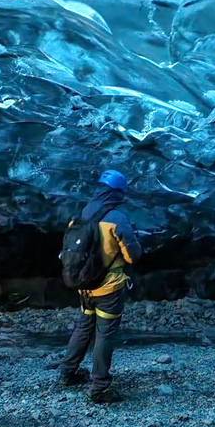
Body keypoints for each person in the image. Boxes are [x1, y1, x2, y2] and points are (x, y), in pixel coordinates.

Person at [59, 170, 142, 404]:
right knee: (104, 334)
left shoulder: (81, 215)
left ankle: (67, 374)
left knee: (84, 326)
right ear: (117, 193)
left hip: (85, 286)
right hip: (108, 288)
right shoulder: (116, 218)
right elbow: (133, 255)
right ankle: (99, 387)